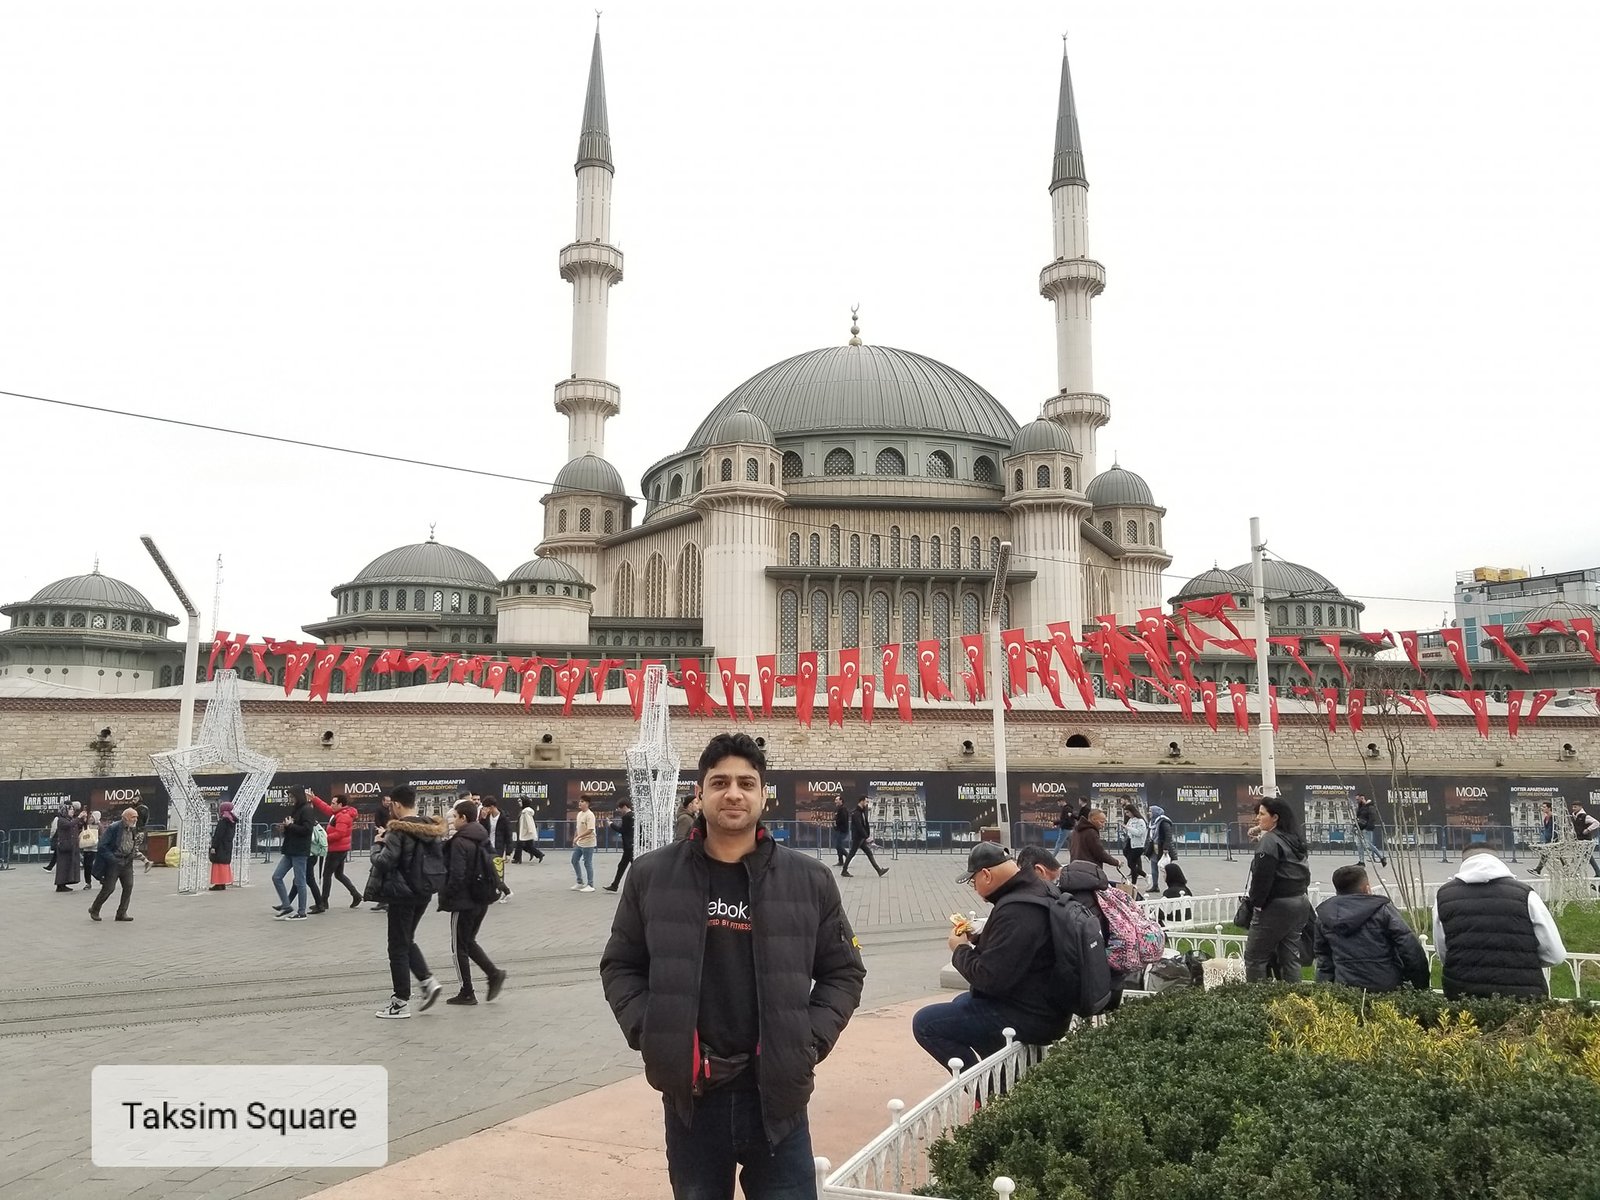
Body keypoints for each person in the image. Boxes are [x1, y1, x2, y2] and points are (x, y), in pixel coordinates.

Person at [600, 732, 865, 1200]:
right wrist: (653, 1031)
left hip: (777, 1099)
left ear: (764, 794)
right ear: (699, 795)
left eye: (747, 782)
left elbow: (844, 972)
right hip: (693, 1102)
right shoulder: (650, 876)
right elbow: (621, 965)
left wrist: (808, 1041)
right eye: (719, 782)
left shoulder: (811, 880)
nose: (734, 793)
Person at [912, 844, 1074, 1070]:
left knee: (926, 1023)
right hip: (1047, 1006)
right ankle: (1004, 1073)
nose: (975, 889)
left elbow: (988, 978)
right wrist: (981, 938)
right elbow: (1018, 950)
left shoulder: (1017, 910)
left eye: (973, 882)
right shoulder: (1038, 890)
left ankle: (985, 1092)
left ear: (986, 875)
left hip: (1033, 1017)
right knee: (962, 1003)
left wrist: (959, 949)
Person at [1431, 846, 1566, 1000]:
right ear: (1498, 860)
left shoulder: (1443, 897)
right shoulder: (1525, 895)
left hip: (1463, 997)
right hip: (1522, 998)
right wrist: (1524, 960)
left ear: (1464, 862)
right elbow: (1555, 955)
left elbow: (1443, 952)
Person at [370, 785, 447, 1018]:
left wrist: (377, 844)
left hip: (401, 893)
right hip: (423, 891)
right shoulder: (429, 827)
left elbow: (385, 862)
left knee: (397, 946)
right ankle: (427, 981)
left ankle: (400, 1001)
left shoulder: (397, 831)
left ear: (395, 804)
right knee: (406, 939)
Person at [1313, 865, 1429, 992]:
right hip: (1387, 987)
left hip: (1346, 989)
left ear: (1337, 891)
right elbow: (1410, 950)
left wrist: (1323, 993)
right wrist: (1420, 986)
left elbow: (1324, 962)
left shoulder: (1325, 917)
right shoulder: (1384, 911)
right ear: (1367, 888)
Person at [439, 799, 507, 1006]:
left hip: (464, 900)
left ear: (464, 818)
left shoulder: (461, 841)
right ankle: (493, 973)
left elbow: (457, 874)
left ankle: (466, 991)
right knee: (468, 941)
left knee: (458, 945)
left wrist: (447, 895)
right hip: (482, 898)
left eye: (455, 817)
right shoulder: (481, 836)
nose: (453, 821)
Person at [1242, 799, 1313, 983]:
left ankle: (1257, 1000)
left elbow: (1262, 877)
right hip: (1299, 901)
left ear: (1275, 817)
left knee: (1255, 957)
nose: (1258, 817)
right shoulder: (1295, 840)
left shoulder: (1270, 842)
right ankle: (1294, 999)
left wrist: (1257, 904)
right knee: (1290, 956)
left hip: (1276, 905)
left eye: (1262, 814)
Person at [308, 791, 362, 911]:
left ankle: (323, 901)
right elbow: (326, 808)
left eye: (333, 803)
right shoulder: (338, 812)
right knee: (339, 874)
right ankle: (356, 895)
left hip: (337, 849)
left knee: (327, 875)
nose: (331, 805)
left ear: (341, 804)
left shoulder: (343, 816)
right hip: (340, 848)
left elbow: (340, 833)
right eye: (331, 803)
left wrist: (324, 838)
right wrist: (315, 799)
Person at [271, 787, 316, 921]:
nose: (290, 799)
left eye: (292, 796)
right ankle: (286, 905)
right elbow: (295, 827)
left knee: (300, 880)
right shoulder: (296, 809)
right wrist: (285, 827)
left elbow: (307, 829)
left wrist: (291, 826)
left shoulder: (307, 809)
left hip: (300, 850)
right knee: (277, 877)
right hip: (290, 850)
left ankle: (302, 912)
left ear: (298, 796)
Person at [89, 808, 140, 922]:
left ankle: (121, 913)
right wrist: (112, 859)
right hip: (115, 862)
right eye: (133, 817)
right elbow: (102, 846)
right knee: (109, 888)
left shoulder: (133, 828)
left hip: (127, 862)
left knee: (128, 886)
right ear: (125, 818)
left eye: (136, 817)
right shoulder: (114, 828)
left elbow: (132, 843)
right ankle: (95, 909)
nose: (135, 819)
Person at [841, 795, 889, 878]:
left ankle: (879, 871)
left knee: (868, 853)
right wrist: (866, 837)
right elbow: (859, 826)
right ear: (861, 801)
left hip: (861, 838)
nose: (867, 804)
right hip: (858, 838)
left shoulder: (861, 812)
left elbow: (864, 825)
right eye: (866, 802)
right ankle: (844, 871)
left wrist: (866, 836)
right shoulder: (856, 813)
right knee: (852, 854)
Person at [1068, 808, 1122, 877]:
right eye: (1102, 822)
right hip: (1090, 871)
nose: (1103, 825)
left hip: (1076, 869)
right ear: (1093, 819)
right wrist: (1116, 862)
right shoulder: (1091, 832)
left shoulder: (1075, 831)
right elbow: (1100, 853)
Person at [480, 797, 514, 902]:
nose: (484, 810)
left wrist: (508, 852)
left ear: (492, 807)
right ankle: (499, 891)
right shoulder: (486, 817)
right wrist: (483, 819)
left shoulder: (504, 818)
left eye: (486, 807)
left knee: (495, 871)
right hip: (486, 847)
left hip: (498, 848)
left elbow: (508, 836)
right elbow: (482, 831)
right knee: (489, 871)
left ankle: (506, 891)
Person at [603, 799, 636, 892]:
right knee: (622, 865)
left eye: (620, 808)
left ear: (625, 806)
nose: (619, 810)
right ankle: (615, 885)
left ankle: (617, 885)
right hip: (631, 845)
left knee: (631, 866)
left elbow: (622, 830)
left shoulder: (626, 817)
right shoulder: (633, 816)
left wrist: (611, 824)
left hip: (628, 846)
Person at [1145, 805, 1177, 898]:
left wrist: (1166, 848)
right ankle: (1155, 886)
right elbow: (1150, 836)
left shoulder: (1163, 821)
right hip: (1154, 848)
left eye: (1151, 811)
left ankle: (1172, 886)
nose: (1149, 813)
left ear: (1155, 812)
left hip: (1162, 848)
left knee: (1166, 869)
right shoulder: (1152, 822)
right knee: (1154, 868)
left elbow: (1168, 835)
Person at [52, 804, 84, 892]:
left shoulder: (70, 819)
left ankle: (64, 883)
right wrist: (79, 817)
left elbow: (76, 825)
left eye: (73, 809)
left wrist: (82, 820)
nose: (72, 811)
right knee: (63, 866)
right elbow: (69, 825)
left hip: (70, 846)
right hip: (64, 846)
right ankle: (60, 884)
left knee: (68, 865)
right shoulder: (61, 820)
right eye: (70, 809)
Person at [209, 802, 237, 891]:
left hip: (220, 846)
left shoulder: (223, 821)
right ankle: (223, 882)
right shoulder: (232, 820)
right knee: (224, 864)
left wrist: (213, 846)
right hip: (228, 845)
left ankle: (218, 883)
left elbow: (218, 835)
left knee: (218, 864)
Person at [1353, 794, 1387, 867]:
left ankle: (1381, 858)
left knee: (1368, 845)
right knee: (1359, 844)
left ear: (1362, 798)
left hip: (1366, 828)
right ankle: (1361, 861)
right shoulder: (1360, 808)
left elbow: (1372, 818)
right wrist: (1356, 826)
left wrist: (1368, 827)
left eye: (1358, 799)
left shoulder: (1370, 807)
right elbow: (1358, 818)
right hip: (1360, 828)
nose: (1357, 801)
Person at [571, 797, 597, 892]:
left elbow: (590, 830)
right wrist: (575, 838)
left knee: (587, 863)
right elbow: (578, 828)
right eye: (580, 801)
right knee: (574, 860)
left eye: (582, 801)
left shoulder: (590, 815)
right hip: (580, 843)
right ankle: (579, 882)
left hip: (588, 843)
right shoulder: (579, 814)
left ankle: (590, 884)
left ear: (587, 803)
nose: (580, 803)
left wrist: (578, 837)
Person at [1121, 806, 1148, 887]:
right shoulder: (1130, 820)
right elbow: (1129, 831)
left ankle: (1136, 881)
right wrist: (1125, 829)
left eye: (1128, 812)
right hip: (1130, 842)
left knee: (1131, 863)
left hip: (1138, 845)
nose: (1127, 814)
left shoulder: (1140, 821)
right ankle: (1143, 877)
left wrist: (1128, 828)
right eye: (1125, 813)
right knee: (1131, 863)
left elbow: (1139, 833)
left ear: (1132, 811)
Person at [1571, 803, 1600, 877]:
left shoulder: (1585, 816)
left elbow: (1596, 823)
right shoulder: (1575, 817)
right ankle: (1597, 872)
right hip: (1579, 840)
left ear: (1580, 807)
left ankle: (1575, 872)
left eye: (1575, 807)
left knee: (1580, 856)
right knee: (1588, 856)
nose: (1573, 808)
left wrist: (1588, 829)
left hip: (1585, 840)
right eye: (1573, 807)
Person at [514, 798, 545, 863]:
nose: (519, 803)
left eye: (520, 801)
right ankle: (539, 854)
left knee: (520, 845)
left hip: (525, 831)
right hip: (524, 831)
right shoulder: (524, 811)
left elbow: (529, 822)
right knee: (528, 846)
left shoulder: (526, 812)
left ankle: (517, 859)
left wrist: (530, 831)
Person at [78, 810, 101, 890]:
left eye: (92, 817)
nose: (90, 818)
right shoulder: (87, 825)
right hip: (86, 848)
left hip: (95, 849)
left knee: (93, 866)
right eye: (90, 817)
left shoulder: (99, 826)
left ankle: (101, 879)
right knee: (86, 866)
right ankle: (88, 882)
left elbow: (102, 836)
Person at [1531, 801, 1555, 876]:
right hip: (1548, 839)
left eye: (1544, 807)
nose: (1542, 808)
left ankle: (1538, 869)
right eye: (1542, 807)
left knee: (1558, 856)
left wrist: (1554, 838)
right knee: (1545, 855)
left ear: (1549, 808)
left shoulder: (1554, 817)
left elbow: (1556, 829)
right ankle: (1538, 869)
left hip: (1554, 840)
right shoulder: (1546, 818)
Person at [832, 797, 851, 867]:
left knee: (838, 845)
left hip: (842, 830)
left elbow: (843, 819)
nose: (835, 801)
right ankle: (840, 861)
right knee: (838, 845)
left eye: (836, 800)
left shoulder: (843, 809)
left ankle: (848, 856)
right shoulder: (838, 809)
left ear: (841, 801)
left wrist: (835, 821)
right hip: (838, 829)